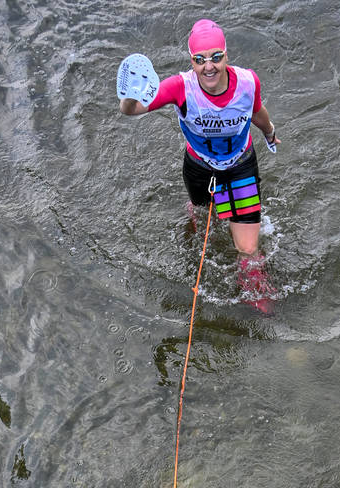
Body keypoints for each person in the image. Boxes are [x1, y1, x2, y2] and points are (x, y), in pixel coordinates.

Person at [118, 19, 280, 299]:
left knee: (249, 251)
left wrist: (269, 133)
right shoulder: (179, 87)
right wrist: (129, 94)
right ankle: (196, 211)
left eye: (216, 57)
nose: (209, 66)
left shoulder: (247, 82)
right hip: (199, 169)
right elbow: (131, 111)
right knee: (204, 215)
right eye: (200, 59)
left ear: (226, 55)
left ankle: (256, 293)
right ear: (191, 60)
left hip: (240, 166)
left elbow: (256, 111)